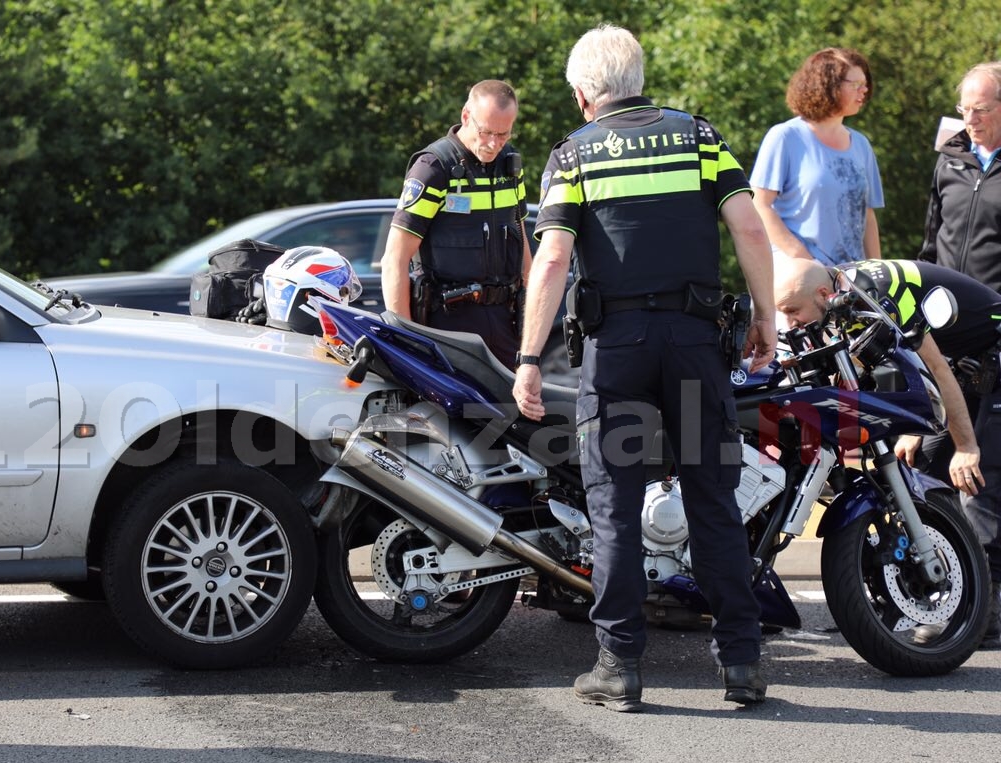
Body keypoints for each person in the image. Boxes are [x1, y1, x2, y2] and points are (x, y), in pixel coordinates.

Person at [511, 24, 778, 711]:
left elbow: (552, 260)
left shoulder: (574, 154)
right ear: (638, 78)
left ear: (582, 95)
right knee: (714, 502)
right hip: (695, 341)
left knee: (614, 507)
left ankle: (619, 667)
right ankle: (742, 664)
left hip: (619, 348)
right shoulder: (699, 137)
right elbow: (749, 228)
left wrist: (530, 358)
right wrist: (766, 319)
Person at [774, 257, 1001, 649]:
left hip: (989, 358)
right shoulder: (836, 298)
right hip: (962, 365)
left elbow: (934, 369)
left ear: (825, 295)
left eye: (793, 312)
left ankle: (987, 611)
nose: (790, 322)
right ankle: (918, 598)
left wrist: (966, 446)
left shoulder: (872, 299)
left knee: (980, 480)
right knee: (921, 468)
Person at [380, 79, 532, 366]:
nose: (493, 144)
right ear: (466, 116)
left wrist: (531, 326)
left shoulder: (510, 164)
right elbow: (394, 260)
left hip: (504, 322)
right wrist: (406, 342)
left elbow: (522, 242)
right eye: (486, 132)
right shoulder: (433, 168)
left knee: (509, 410)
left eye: (503, 134)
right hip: (448, 325)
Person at [750, 48, 883, 266]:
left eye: (865, 84)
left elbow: (867, 215)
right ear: (828, 86)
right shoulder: (785, 137)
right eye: (856, 85)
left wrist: (878, 272)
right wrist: (804, 259)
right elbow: (760, 205)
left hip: (852, 279)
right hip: (799, 272)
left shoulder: (861, 145)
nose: (865, 91)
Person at [920, 62, 1001, 291]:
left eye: (981, 109)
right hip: (947, 309)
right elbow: (931, 244)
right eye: (964, 109)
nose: (970, 119)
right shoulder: (949, 159)